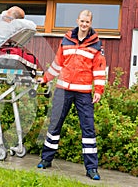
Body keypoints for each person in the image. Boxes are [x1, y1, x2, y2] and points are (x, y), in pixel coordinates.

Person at [36, 10, 106, 180]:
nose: (84, 24)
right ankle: (46, 159)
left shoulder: (96, 45)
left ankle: (91, 169)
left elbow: (99, 70)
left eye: (87, 22)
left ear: (90, 23)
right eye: (82, 21)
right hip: (63, 89)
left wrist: (98, 91)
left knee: (88, 129)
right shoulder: (66, 39)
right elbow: (58, 63)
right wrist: (45, 78)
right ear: (77, 21)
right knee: (54, 125)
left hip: (83, 93)